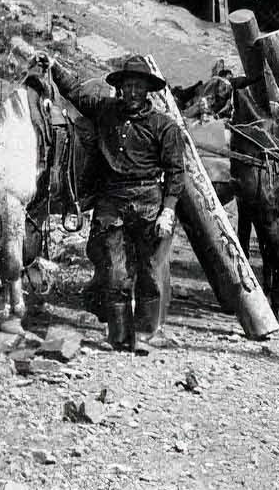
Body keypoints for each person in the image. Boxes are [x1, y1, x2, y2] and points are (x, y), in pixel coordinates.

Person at [40, 53, 187, 352]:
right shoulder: (105, 111)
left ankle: (146, 333)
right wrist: (54, 66)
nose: (132, 92)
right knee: (115, 272)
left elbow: (176, 172)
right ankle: (119, 337)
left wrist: (168, 211)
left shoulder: (164, 127)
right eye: (128, 86)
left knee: (148, 271)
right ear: (120, 88)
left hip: (149, 203)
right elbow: (77, 92)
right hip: (112, 203)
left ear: (148, 90)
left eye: (138, 87)